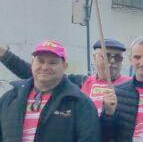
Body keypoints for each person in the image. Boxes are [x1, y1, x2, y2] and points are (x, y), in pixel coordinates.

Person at [0, 38, 131, 115]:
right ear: (95, 58)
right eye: (106, 56)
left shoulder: (130, 85)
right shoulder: (80, 82)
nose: (112, 61)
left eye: (118, 57)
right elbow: (39, 75)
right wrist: (4, 55)